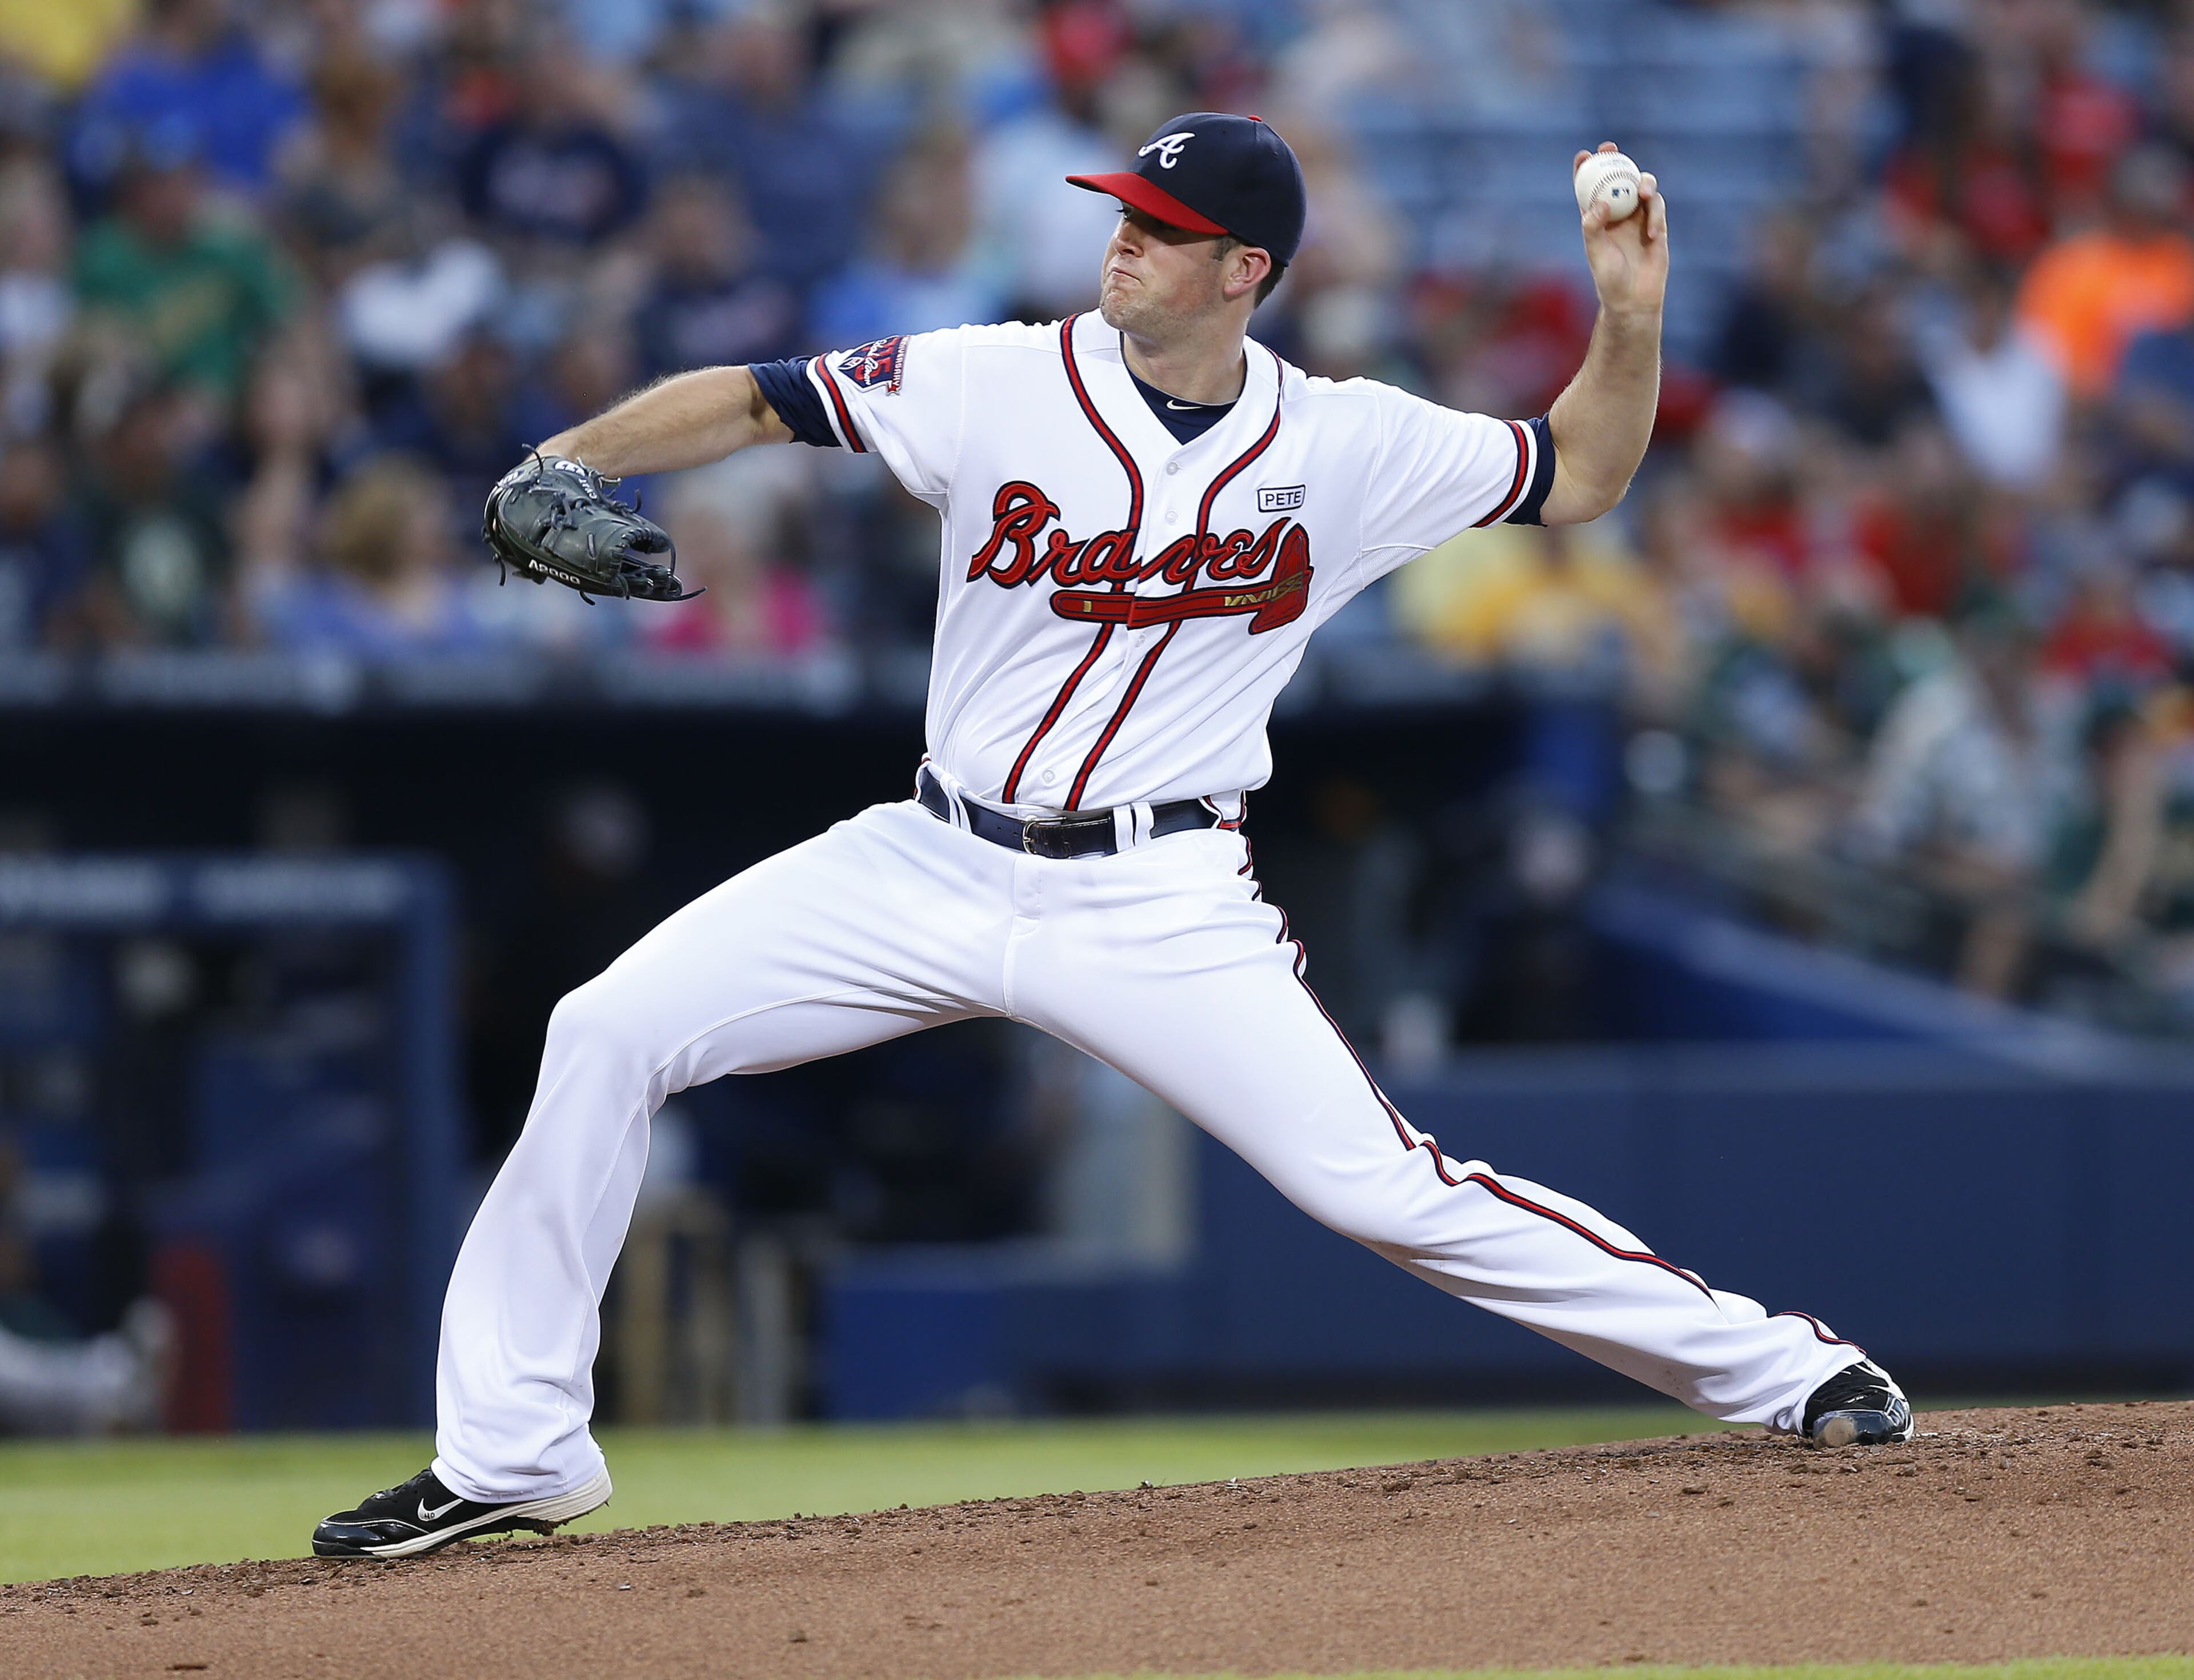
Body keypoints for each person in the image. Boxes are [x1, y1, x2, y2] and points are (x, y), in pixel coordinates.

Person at [315, 114, 1913, 1561]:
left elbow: (1581, 473)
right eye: (1120, 210)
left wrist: (1627, 321)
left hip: (1160, 894)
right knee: (603, 1030)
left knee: (1385, 1190)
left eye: (1156, 223)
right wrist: (571, 460)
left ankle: (1790, 1369)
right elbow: (753, 398)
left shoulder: (1341, 442)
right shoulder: (997, 377)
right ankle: (513, 1451)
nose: (1120, 237)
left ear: (1245, 271)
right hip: (931, 857)